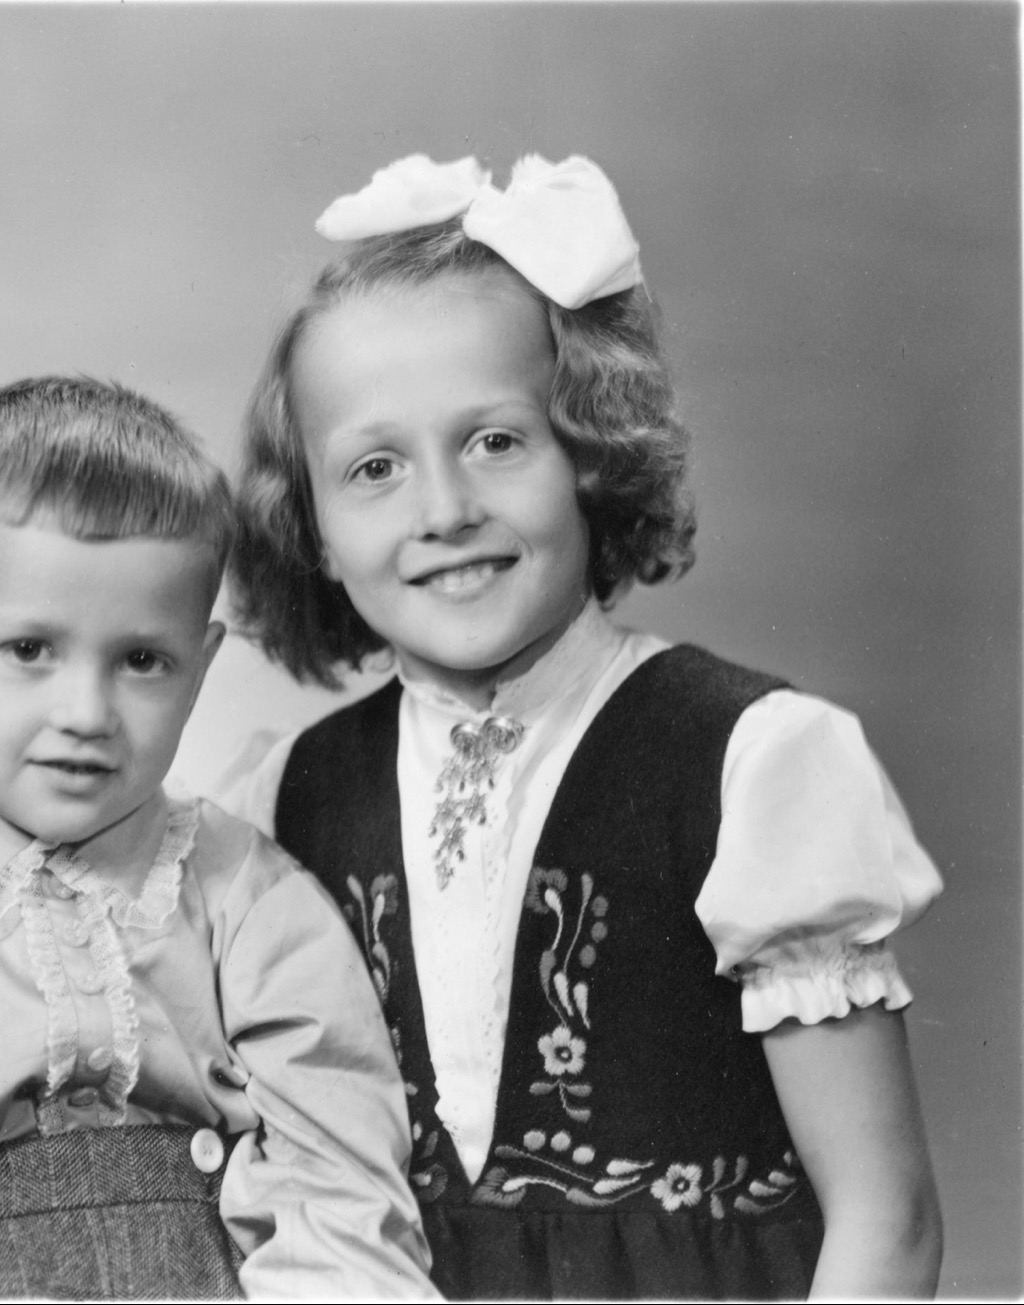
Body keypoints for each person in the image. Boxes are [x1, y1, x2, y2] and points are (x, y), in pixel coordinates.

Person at [223, 153, 945, 1299]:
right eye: (373, 468)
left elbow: (887, 1220)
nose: (445, 510)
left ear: (590, 453)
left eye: (497, 441)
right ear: (311, 527)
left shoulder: (754, 764)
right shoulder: (280, 800)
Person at [0, 376, 437, 1299]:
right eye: (30, 650)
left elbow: (341, 1202)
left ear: (199, 671)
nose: (85, 713)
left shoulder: (254, 899)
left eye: (141, 660)